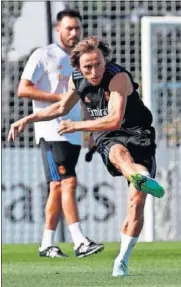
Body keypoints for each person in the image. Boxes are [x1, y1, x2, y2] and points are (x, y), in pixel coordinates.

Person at [8, 36, 165, 275]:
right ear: (78, 67)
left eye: (98, 64)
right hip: (108, 135)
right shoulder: (77, 79)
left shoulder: (118, 78)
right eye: (87, 67)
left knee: (136, 203)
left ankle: (122, 257)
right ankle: (141, 176)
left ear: (105, 60)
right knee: (119, 154)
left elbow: (115, 119)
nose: (94, 71)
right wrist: (28, 119)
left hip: (138, 133)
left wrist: (77, 126)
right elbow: (61, 107)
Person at [15, 11, 104, 258]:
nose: (74, 33)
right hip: (50, 131)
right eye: (69, 28)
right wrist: (61, 100)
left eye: (77, 28)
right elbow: (23, 89)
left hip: (73, 133)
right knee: (68, 182)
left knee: (57, 187)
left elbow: (84, 98)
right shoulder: (44, 55)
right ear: (58, 29)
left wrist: (89, 129)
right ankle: (79, 241)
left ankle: (46, 243)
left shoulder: (80, 61)